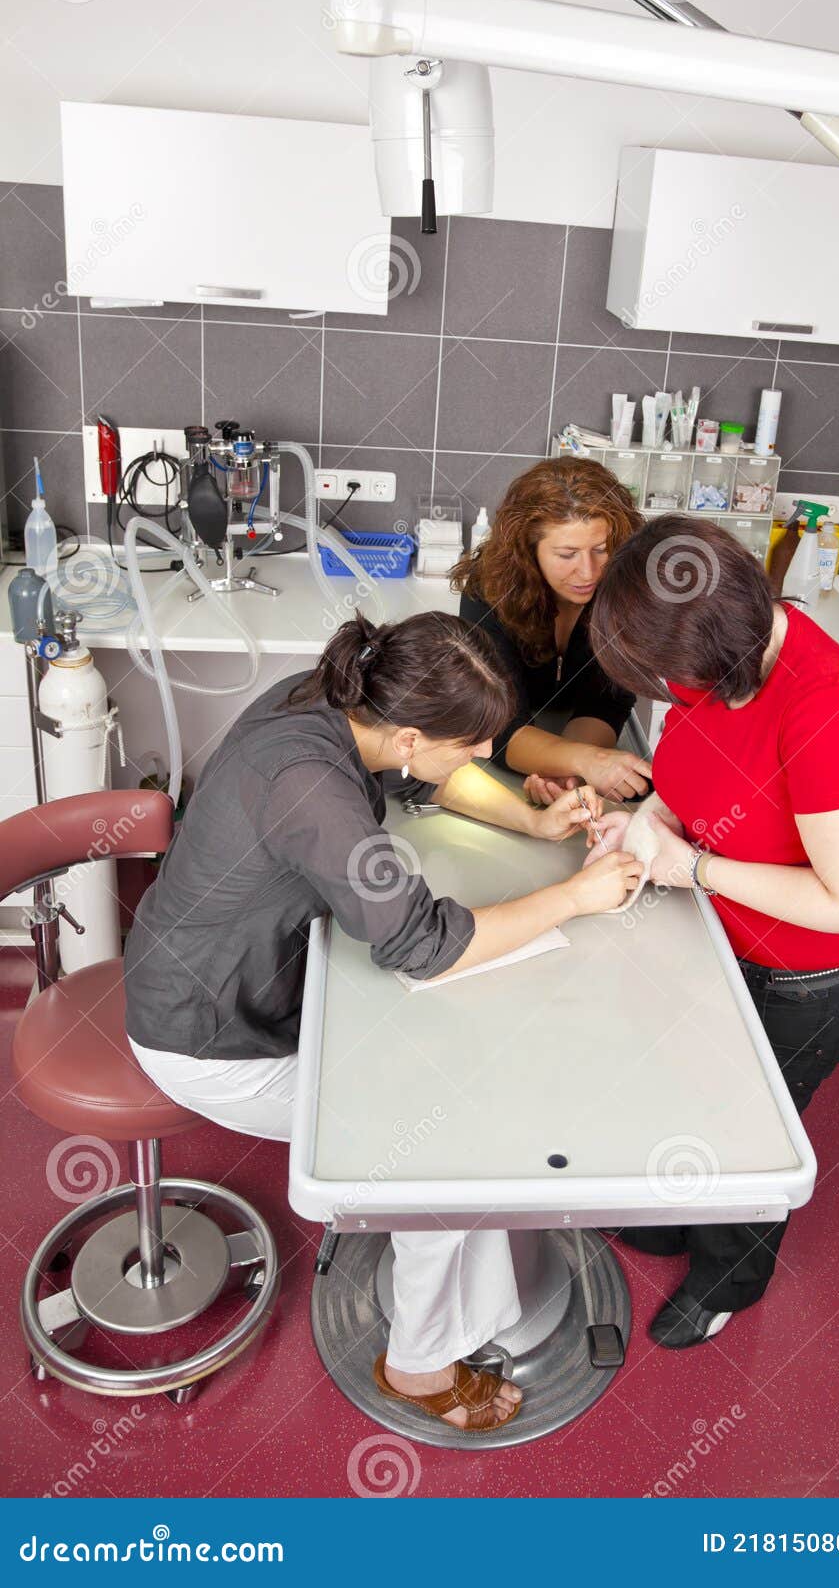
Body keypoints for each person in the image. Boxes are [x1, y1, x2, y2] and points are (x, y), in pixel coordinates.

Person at [123, 611, 642, 1430]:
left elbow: (427, 778)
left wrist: (537, 821)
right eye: (470, 744)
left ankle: (469, 1304)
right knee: (436, 1158)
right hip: (206, 1034)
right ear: (406, 732)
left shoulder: (330, 699)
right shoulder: (308, 785)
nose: (485, 761)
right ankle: (418, 1365)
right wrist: (576, 896)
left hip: (240, 971)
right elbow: (424, 944)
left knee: (453, 1090)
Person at [587, 517, 839, 1349]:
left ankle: (733, 1278)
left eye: (666, 677)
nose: (664, 691)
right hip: (717, 942)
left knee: (753, 1135)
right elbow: (687, 773)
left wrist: (692, 869)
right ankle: (670, 1219)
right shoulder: (709, 661)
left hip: (804, 979)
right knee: (690, 1092)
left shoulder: (829, 701)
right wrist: (644, 823)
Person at [452, 457, 651, 805]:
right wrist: (584, 761)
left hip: (573, 739)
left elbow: (606, 701)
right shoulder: (490, 589)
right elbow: (498, 726)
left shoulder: (626, 592)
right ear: (529, 551)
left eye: (601, 549)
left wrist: (571, 772)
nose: (588, 572)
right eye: (567, 554)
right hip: (501, 758)